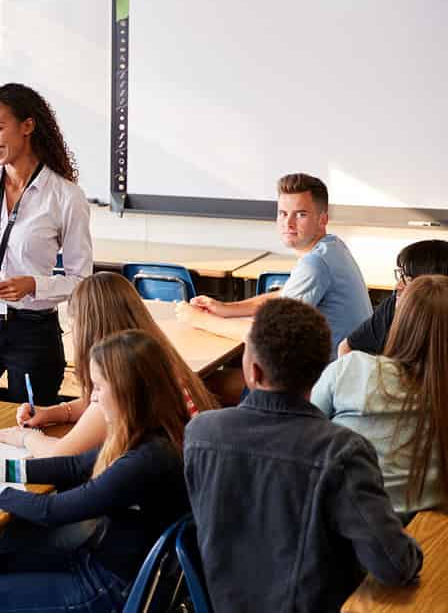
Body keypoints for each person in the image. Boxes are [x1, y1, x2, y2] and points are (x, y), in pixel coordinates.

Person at [184, 298, 423, 612]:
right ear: (318, 372)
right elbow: (393, 565)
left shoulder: (201, 434)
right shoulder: (342, 451)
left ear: (252, 370)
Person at [0, 330, 192, 613]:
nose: (93, 398)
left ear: (127, 391)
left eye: (99, 387)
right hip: (103, 565)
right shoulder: (150, 434)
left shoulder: (147, 459)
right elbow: (73, 466)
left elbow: (51, 510)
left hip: (111, 587)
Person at [0, 83, 93, 404]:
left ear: (27, 126)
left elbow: (81, 281)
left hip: (32, 332)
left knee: (31, 432)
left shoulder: (65, 196)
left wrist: (33, 285)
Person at [0, 272, 217, 457]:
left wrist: (24, 437)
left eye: (73, 321)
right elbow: (93, 405)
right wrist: (53, 413)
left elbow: (58, 453)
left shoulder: (122, 381)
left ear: (87, 327)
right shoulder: (148, 356)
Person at [184, 173, 371, 359]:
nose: (288, 223)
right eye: (283, 213)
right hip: (344, 372)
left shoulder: (315, 264)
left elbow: (269, 336)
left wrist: (201, 320)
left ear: (323, 219)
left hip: (325, 381)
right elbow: (285, 297)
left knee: (209, 383)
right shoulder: (333, 247)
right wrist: (226, 308)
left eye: (300, 214)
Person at [312, 274, 448, 517]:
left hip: (344, 521)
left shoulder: (352, 368)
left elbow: (303, 431)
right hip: (428, 532)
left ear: (400, 322)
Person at [339, 239, 448, 357]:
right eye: (401, 276)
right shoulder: (392, 307)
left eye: (409, 279)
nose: (398, 286)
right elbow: (346, 348)